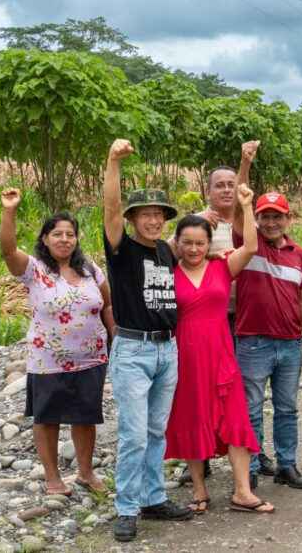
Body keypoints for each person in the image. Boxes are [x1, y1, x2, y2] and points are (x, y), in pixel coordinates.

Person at [100, 139, 193, 542]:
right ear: (133, 217)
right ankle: (126, 507)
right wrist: (113, 162)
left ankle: (153, 497)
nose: (153, 221)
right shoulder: (121, 249)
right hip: (133, 350)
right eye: (146, 214)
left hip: (167, 349)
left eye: (159, 214)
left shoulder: (165, 252)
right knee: (134, 435)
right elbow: (109, 209)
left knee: (157, 431)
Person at [165, 187, 274, 515]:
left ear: (209, 243)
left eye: (200, 243)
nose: (194, 248)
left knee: (235, 417)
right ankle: (199, 490)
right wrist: (191, 221)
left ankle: (242, 491)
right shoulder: (168, 272)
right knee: (192, 418)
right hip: (185, 357)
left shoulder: (222, 266)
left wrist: (246, 206)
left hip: (221, 353)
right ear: (177, 243)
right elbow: (158, 248)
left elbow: (251, 246)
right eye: (187, 242)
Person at [0, 189, 112, 498]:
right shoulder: (34, 270)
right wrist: (9, 210)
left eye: (70, 234)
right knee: (47, 418)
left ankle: (86, 473)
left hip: (92, 358)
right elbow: (8, 251)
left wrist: (116, 339)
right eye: (57, 234)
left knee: (86, 417)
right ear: (45, 239)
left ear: (77, 238)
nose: (65, 239)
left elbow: (107, 305)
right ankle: (53, 478)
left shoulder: (90, 269)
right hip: (48, 360)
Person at [233, 190, 302, 490]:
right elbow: (237, 213)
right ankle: (251, 468)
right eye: (265, 217)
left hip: (290, 343)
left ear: (288, 219)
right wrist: (244, 195)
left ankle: (286, 465)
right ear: (255, 219)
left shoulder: (299, 255)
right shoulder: (248, 245)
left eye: (277, 217)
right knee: (251, 409)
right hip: (253, 342)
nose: (271, 223)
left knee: (287, 408)